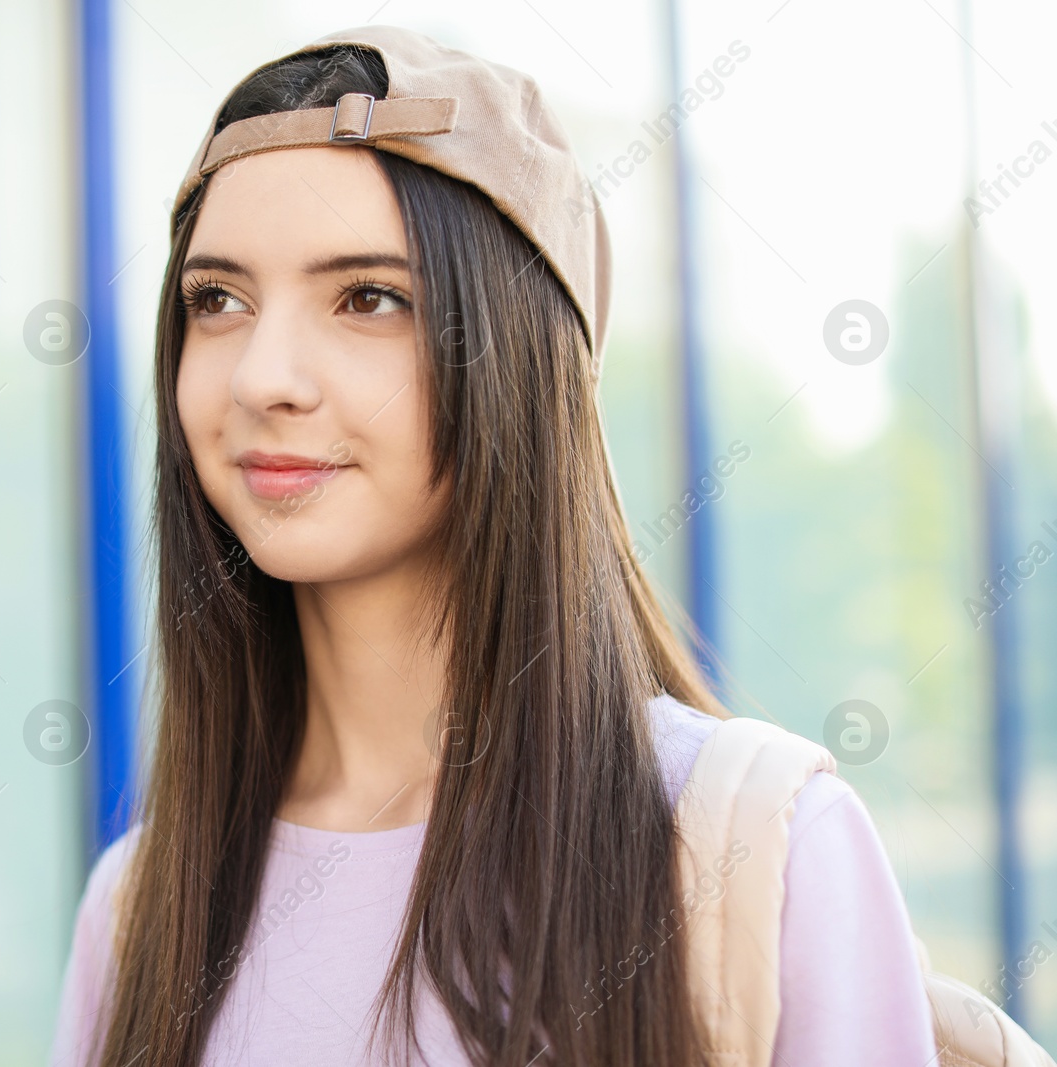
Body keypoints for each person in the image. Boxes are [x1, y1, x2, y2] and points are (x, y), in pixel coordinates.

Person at [51, 26, 935, 1067]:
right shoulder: (142, 902)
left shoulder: (755, 841)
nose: (261, 377)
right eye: (219, 301)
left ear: (516, 355)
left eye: (367, 297)